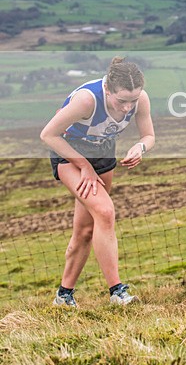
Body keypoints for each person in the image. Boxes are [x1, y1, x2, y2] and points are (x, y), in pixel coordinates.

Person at [40, 57, 155, 306]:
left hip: (103, 152)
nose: (127, 107)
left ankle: (63, 296)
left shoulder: (140, 100)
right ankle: (117, 292)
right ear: (107, 89)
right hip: (69, 152)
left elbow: (148, 135)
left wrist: (140, 147)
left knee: (86, 229)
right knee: (105, 211)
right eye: (122, 101)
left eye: (133, 100)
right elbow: (48, 135)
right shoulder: (87, 100)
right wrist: (84, 166)